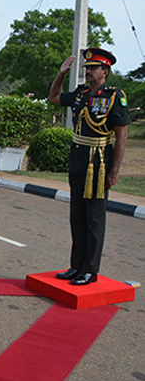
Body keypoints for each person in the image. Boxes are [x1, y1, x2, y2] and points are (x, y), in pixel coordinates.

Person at [48, 48, 130, 285]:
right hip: (78, 159)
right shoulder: (81, 93)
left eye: (93, 68)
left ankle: (90, 269)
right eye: (86, 68)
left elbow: (121, 136)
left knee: (94, 218)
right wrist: (61, 74)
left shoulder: (114, 96)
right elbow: (54, 98)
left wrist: (115, 171)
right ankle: (76, 266)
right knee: (77, 216)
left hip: (99, 162)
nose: (88, 72)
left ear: (105, 71)